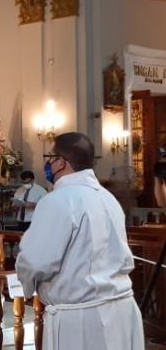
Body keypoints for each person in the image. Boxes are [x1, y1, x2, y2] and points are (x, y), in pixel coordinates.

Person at [16, 132, 144, 350]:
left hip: (82, 320)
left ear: (61, 163)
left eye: (51, 157)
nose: (47, 163)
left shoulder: (56, 200)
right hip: (122, 311)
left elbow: (34, 262)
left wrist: (26, 286)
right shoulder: (107, 198)